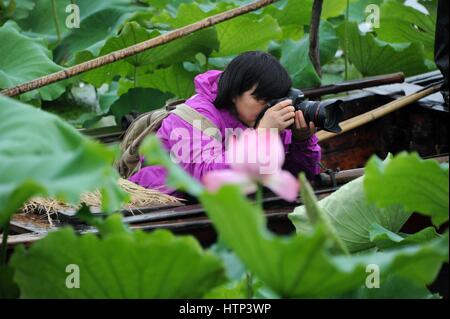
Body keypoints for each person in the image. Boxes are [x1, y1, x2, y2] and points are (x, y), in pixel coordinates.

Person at [129, 51, 321, 196]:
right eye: (261, 99)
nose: (267, 108)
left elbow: (298, 176)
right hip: (162, 204)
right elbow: (207, 179)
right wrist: (261, 136)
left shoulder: (263, 118)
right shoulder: (193, 117)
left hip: (224, 210)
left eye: (273, 100)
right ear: (235, 91)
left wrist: (302, 141)